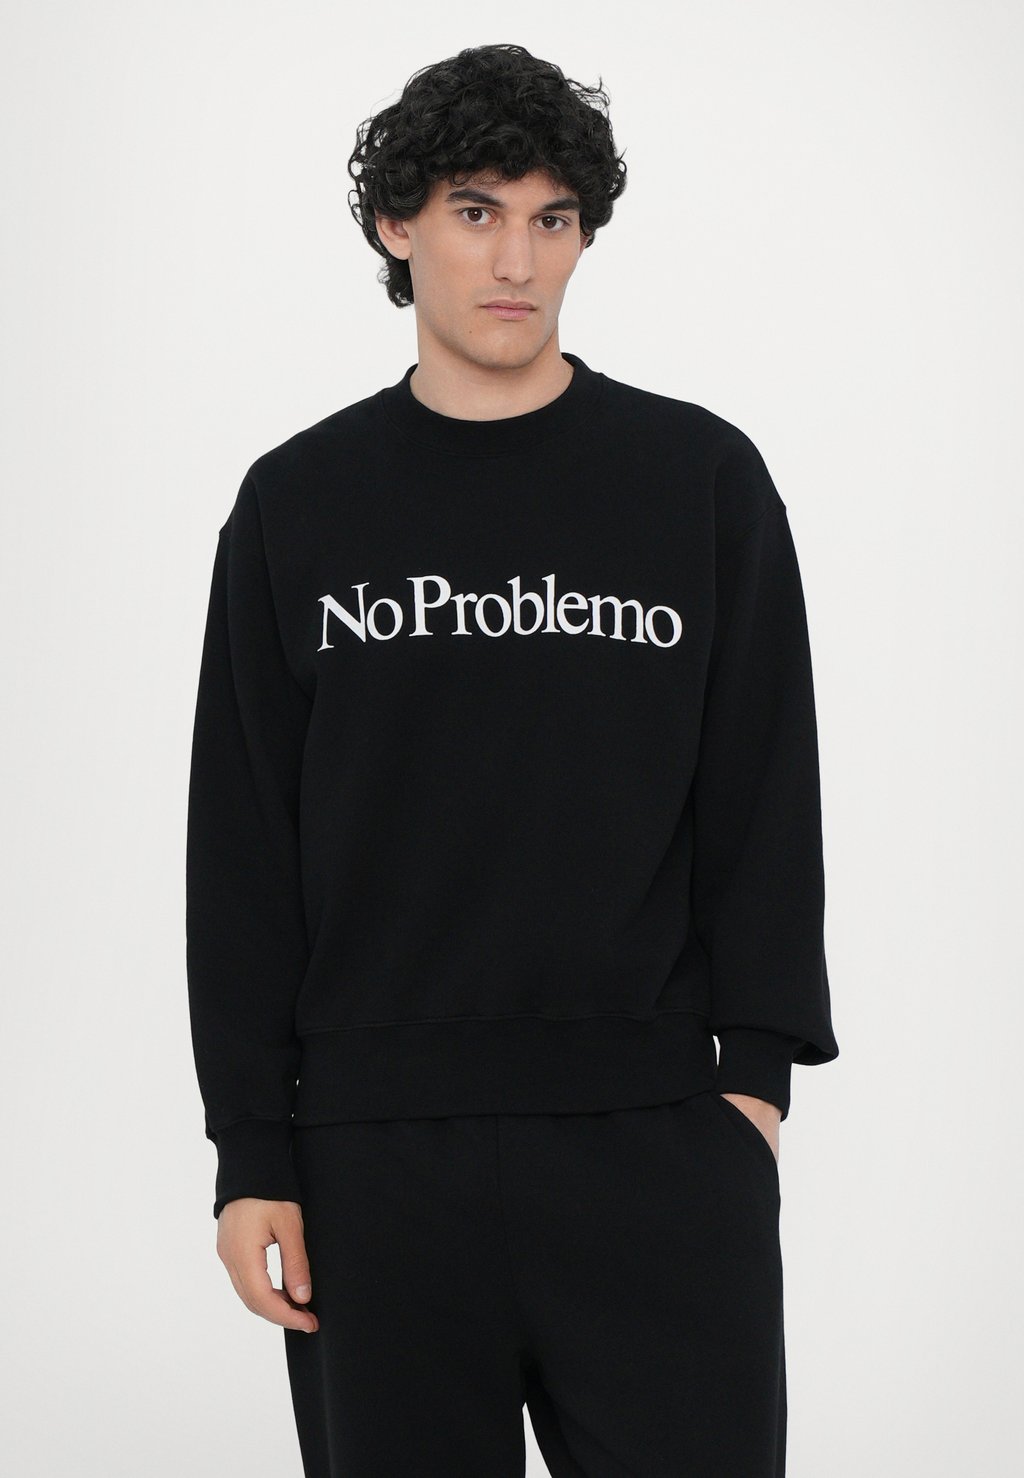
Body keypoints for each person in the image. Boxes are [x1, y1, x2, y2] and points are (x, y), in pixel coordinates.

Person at [185, 40, 839, 1478]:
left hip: (655, 1139)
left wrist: (751, 1086)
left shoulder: (699, 483)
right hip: (373, 1158)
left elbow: (763, 792)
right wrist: (253, 1152)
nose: (517, 260)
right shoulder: (300, 505)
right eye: (476, 211)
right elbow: (241, 845)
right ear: (396, 224)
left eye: (553, 219)